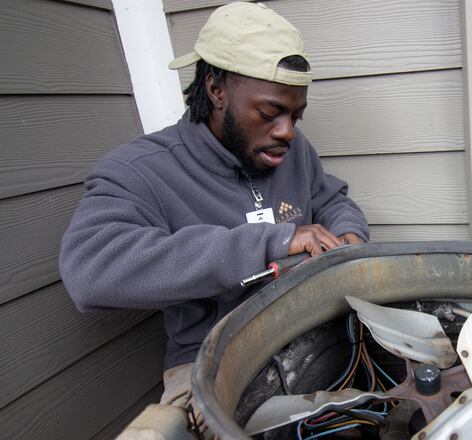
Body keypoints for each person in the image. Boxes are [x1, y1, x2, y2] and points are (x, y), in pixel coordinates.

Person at [58, 1, 368, 418]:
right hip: (210, 361)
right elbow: (89, 270)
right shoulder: (140, 171)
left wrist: (348, 236)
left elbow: (332, 200)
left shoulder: (291, 151)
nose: (287, 132)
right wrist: (272, 242)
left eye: (297, 114)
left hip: (311, 332)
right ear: (216, 89)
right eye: (270, 112)